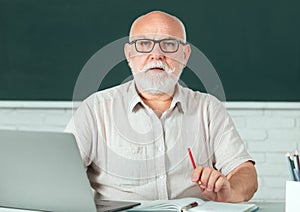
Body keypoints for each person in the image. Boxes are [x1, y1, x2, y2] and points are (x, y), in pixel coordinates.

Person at [65, 10, 258, 203]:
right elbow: (61, 174)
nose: (156, 55)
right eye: (144, 44)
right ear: (129, 54)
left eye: (169, 45)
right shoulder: (95, 109)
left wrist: (230, 191)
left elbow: (245, 172)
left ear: (185, 54)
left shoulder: (208, 109)